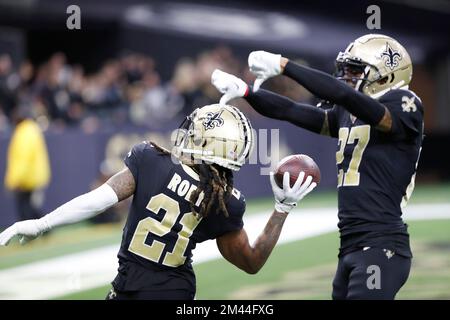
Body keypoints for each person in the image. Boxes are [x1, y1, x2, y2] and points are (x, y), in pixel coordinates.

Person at [0, 103, 317, 300]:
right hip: (169, 290)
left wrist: (42, 223)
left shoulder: (151, 160)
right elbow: (251, 262)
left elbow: (98, 200)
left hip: (131, 285)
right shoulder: (225, 202)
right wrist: (282, 209)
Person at [211, 34, 424, 300]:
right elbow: (290, 110)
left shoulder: (404, 104)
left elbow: (342, 94)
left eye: (356, 70)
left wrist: (284, 65)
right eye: (345, 69)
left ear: (387, 76)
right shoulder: (349, 113)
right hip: (351, 246)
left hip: (381, 244)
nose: (347, 77)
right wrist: (247, 92)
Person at [4, 105, 51, 222]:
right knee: (31, 207)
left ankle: (41, 231)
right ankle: (45, 229)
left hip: (26, 179)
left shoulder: (23, 132)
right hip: (34, 177)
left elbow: (22, 159)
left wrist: (15, 180)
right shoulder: (32, 129)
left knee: (25, 210)